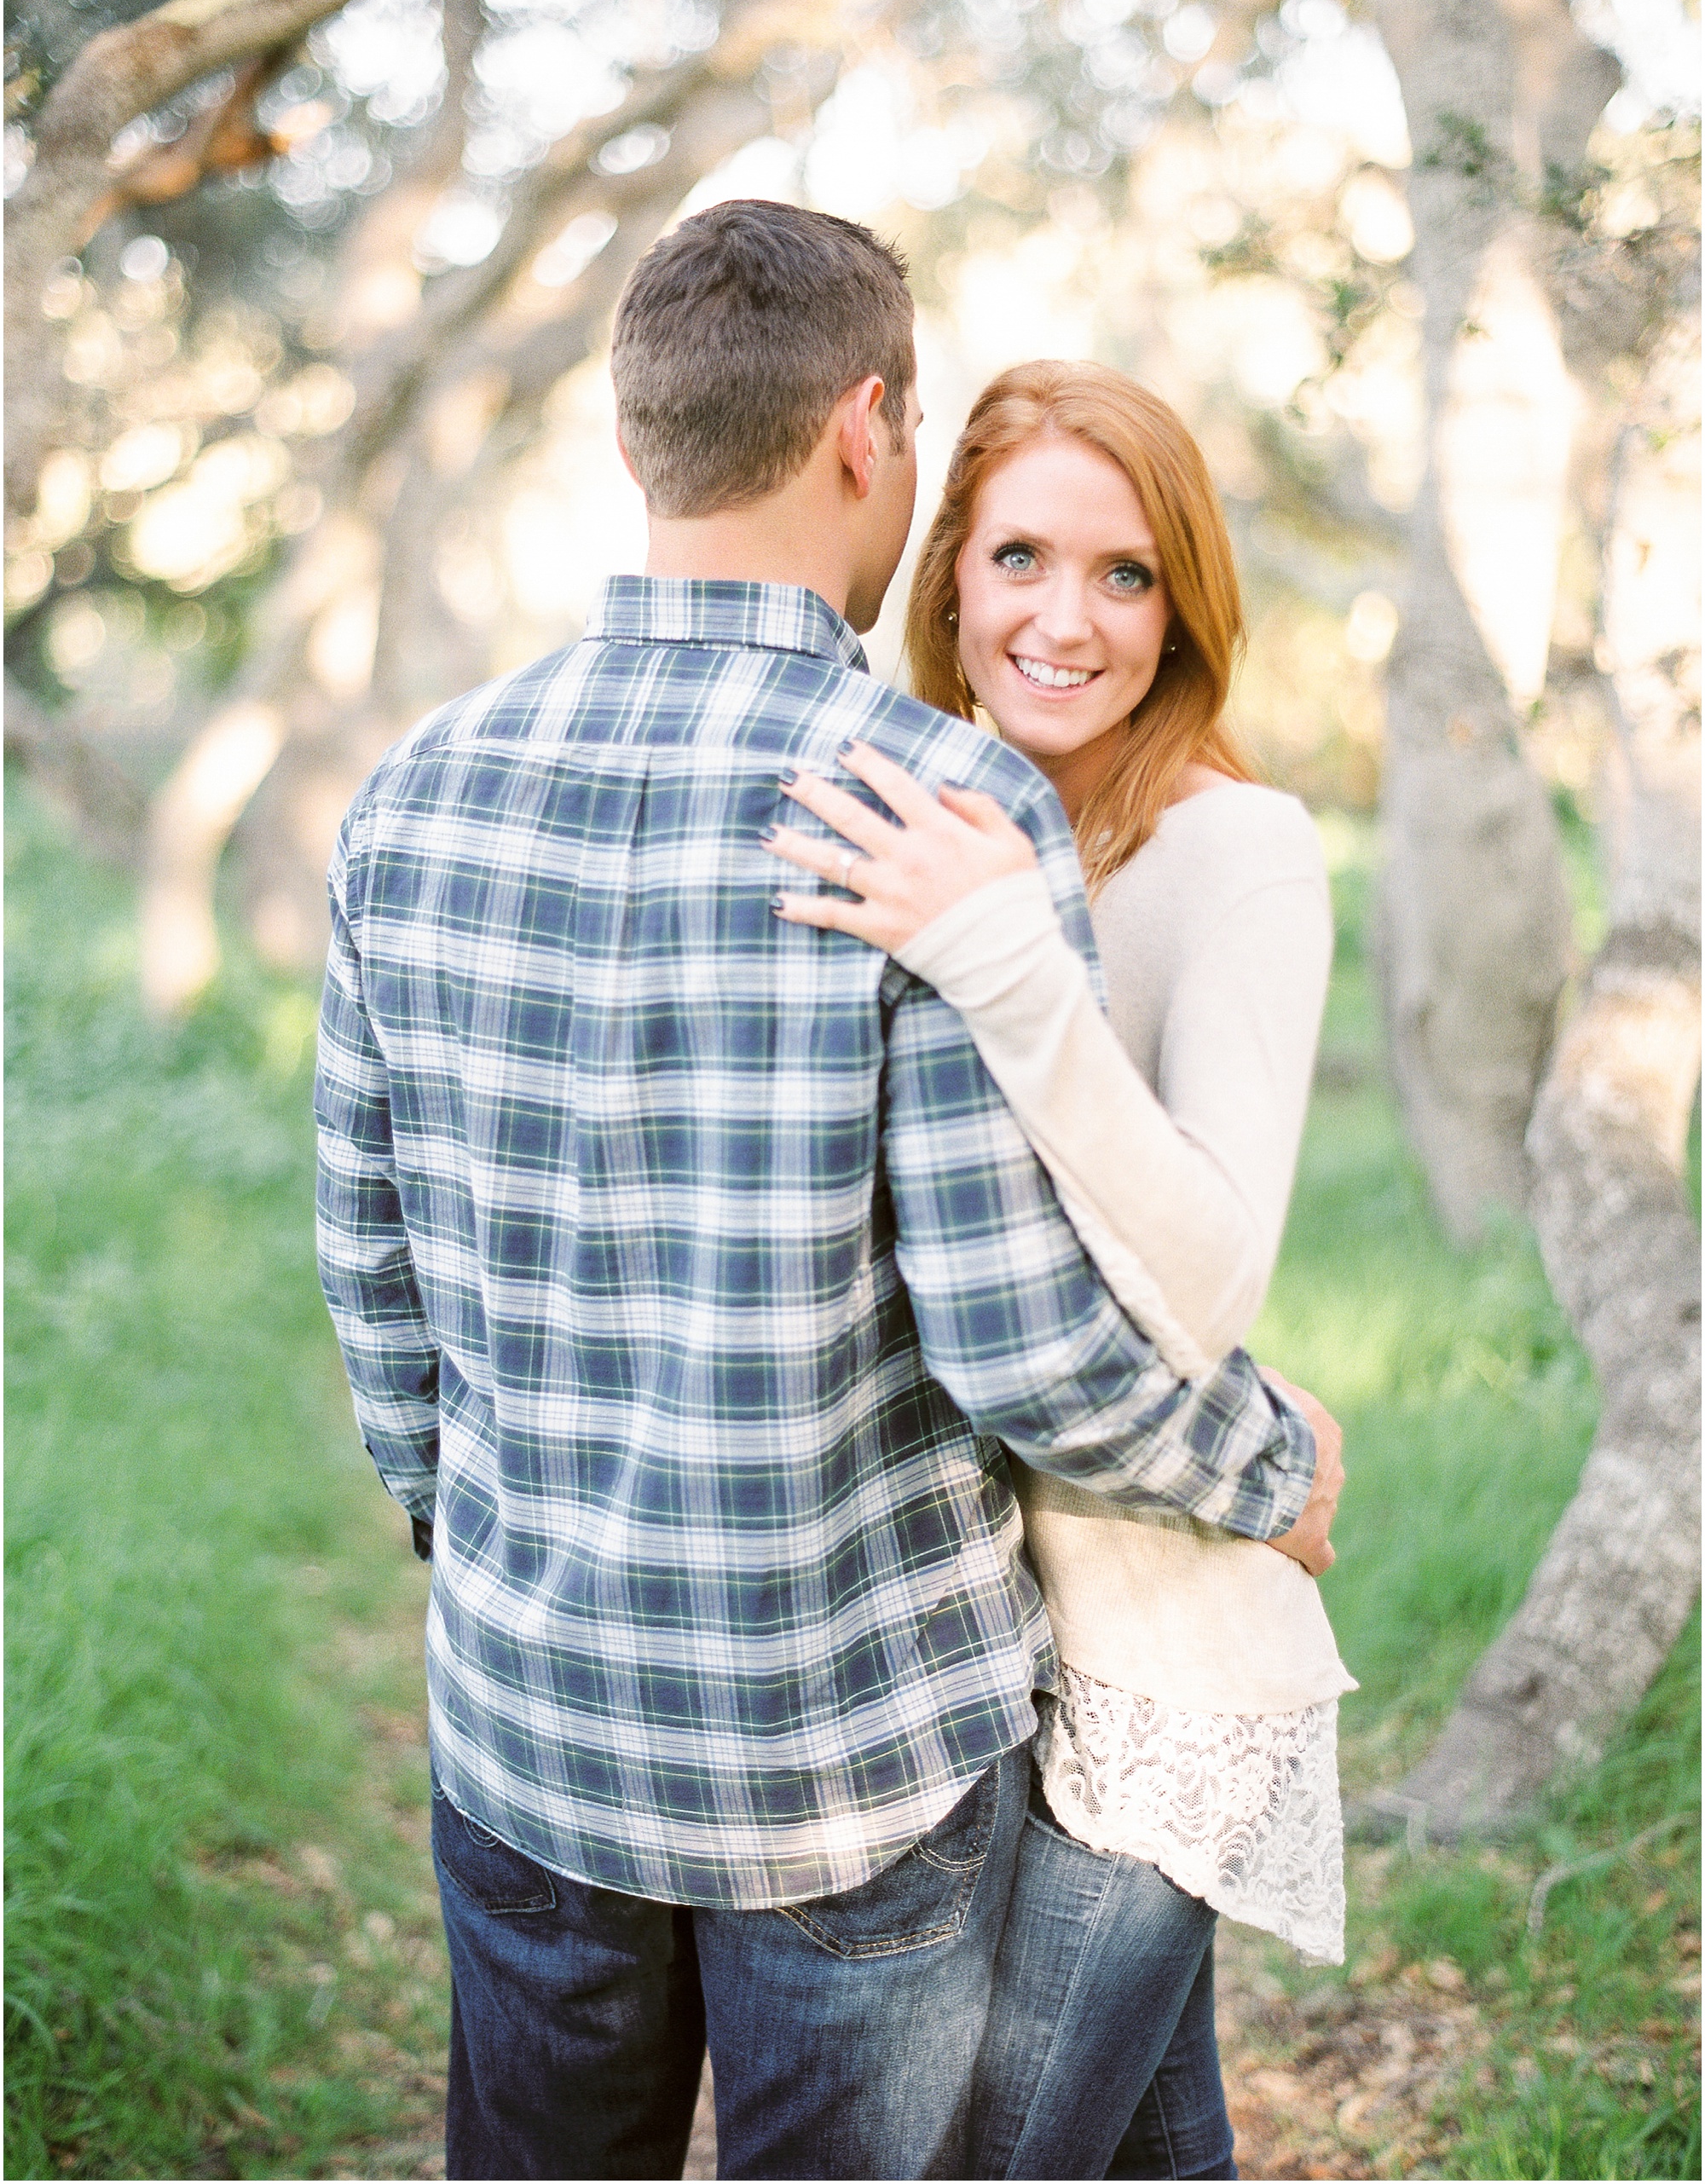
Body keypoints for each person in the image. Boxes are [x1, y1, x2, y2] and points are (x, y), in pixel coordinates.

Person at [315, 205, 1339, 2183]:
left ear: (636, 443)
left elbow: (374, 1274)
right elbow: (1026, 1344)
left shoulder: (412, 790)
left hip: (525, 1724)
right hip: (838, 1773)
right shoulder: (932, 804)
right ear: (873, 436)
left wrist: (486, 1543)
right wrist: (1261, 1459)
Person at [768, 359, 1352, 2180]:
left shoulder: (1233, 851)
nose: (1064, 617)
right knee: (1155, 2149)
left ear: (1181, 608)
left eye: (1124, 574)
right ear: (948, 573)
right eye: (1021, 554)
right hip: (957, 1651)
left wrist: (1012, 965)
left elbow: (1209, 1274)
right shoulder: (919, 813)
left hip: (1153, 1652)